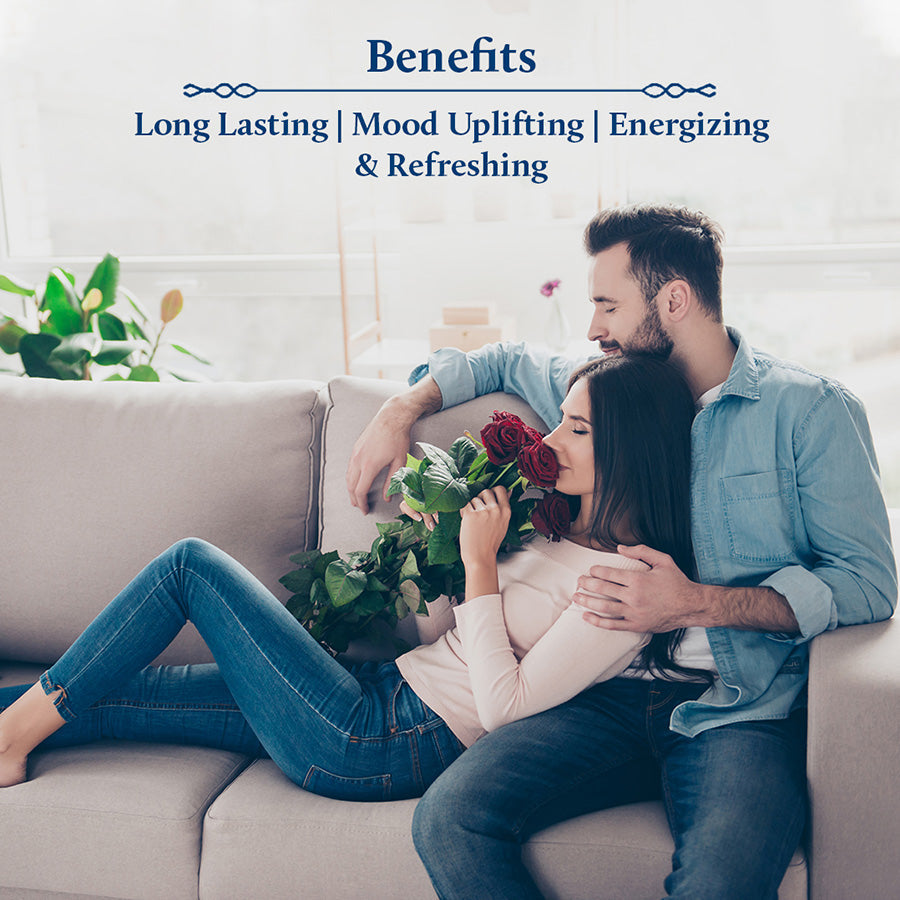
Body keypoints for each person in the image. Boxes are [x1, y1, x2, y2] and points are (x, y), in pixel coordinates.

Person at [346, 203, 897, 898]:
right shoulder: (604, 386)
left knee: (720, 882)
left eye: (608, 304)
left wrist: (695, 604)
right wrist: (399, 410)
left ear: (673, 301)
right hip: (594, 694)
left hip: (732, 707)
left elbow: (868, 584)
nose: (593, 328)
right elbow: (502, 358)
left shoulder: (809, 412)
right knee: (451, 819)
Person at [0, 355, 697, 801]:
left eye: (576, 430)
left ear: (632, 447)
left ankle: (11, 738)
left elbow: (503, 711)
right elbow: (449, 638)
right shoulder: (553, 524)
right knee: (122, 693)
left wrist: (481, 565)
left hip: (380, 744)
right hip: (380, 693)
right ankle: (12, 728)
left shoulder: (628, 588)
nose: (549, 442)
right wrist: (447, 553)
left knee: (191, 567)